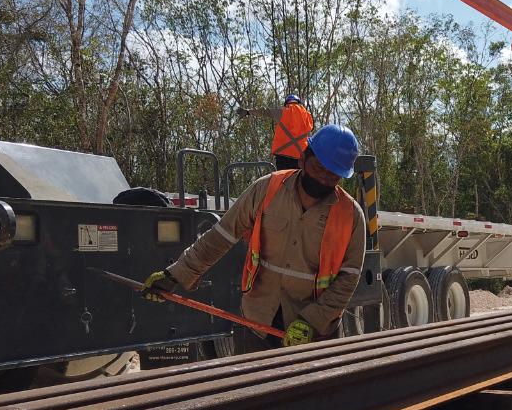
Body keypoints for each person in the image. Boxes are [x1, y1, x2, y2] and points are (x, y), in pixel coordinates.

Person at [142, 124, 366, 352]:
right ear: (302, 159)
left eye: (332, 175)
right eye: (318, 168)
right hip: (257, 323)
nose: (323, 178)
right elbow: (221, 235)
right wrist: (176, 274)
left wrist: (313, 320)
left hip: (315, 335)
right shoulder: (267, 189)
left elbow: (349, 278)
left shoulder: (351, 215)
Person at [238, 94, 314, 170]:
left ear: (286, 103)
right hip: (300, 156)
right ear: (299, 103)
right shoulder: (307, 116)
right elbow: (310, 130)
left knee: (282, 180)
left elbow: (264, 111)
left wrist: (248, 112)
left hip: (282, 155)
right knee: (298, 180)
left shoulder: (282, 112)